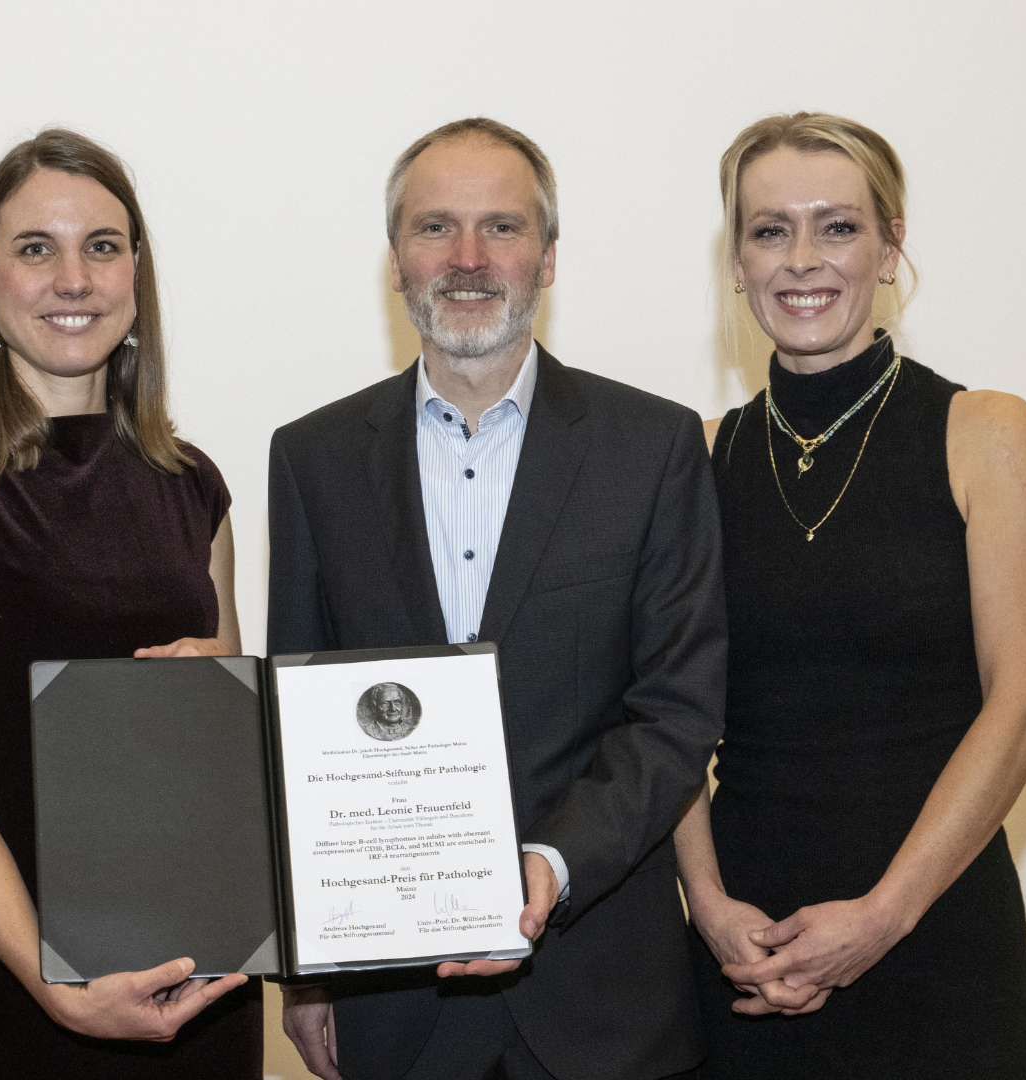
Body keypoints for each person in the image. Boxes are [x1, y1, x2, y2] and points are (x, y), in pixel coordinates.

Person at [271, 118, 726, 1080]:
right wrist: (306, 976)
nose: (468, 259)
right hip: (396, 1008)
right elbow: (299, 731)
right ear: (397, 259)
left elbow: (678, 710)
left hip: (607, 1008)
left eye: (502, 228)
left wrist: (552, 863)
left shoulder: (654, 448)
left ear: (548, 257)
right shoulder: (312, 460)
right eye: (436, 227)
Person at [0, 128, 259, 1079]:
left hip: (200, 996)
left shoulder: (195, 487)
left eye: (102, 246)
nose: (73, 278)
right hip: (14, 1001)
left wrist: (236, 698)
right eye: (36, 248)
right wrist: (59, 985)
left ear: (135, 273)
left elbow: (227, 780)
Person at [673, 111, 1026, 1078]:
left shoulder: (985, 433)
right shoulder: (695, 459)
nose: (802, 259)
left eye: (838, 226)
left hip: (937, 940)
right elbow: (662, 712)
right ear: (737, 263)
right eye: (770, 230)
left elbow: (1025, 706)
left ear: (890, 247)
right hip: (746, 955)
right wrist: (708, 906)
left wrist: (884, 916)